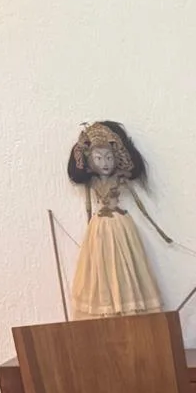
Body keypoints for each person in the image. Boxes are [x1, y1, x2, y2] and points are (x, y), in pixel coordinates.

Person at [66, 121, 169, 319]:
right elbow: (88, 205)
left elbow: (138, 202)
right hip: (99, 227)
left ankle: (129, 307)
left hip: (121, 224)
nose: (104, 163)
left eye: (108, 158)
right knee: (97, 268)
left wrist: (158, 229)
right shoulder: (93, 181)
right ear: (90, 160)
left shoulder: (119, 179)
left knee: (129, 265)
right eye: (98, 158)